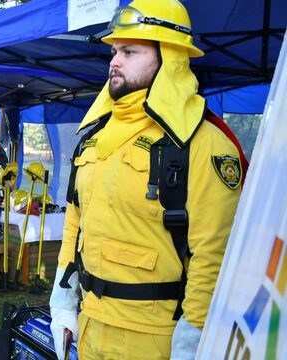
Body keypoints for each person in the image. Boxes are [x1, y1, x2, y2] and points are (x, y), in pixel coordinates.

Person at [49, 1, 247, 359]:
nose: (114, 61)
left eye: (129, 51)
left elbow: (213, 253)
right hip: (91, 323)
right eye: (113, 51)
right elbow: (76, 220)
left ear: (168, 58)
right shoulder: (95, 136)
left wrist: (193, 337)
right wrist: (63, 298)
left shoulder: (203, 143)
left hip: (154, 338)